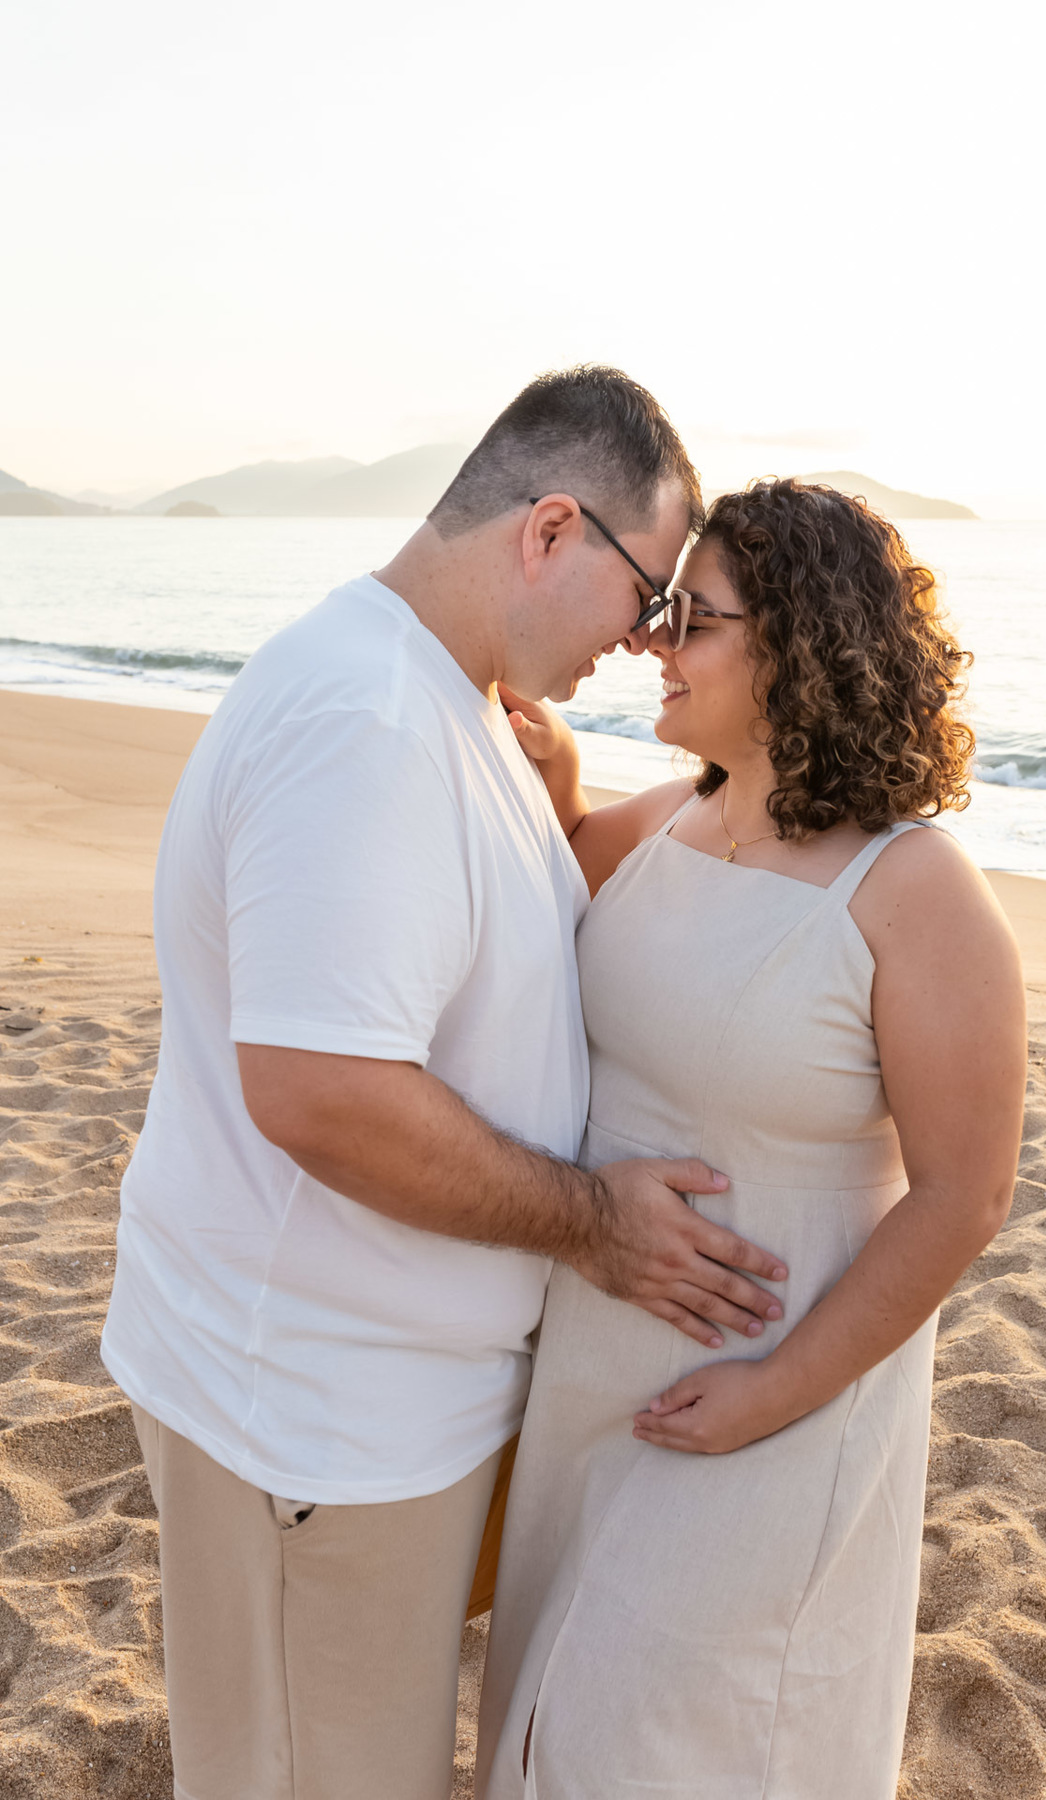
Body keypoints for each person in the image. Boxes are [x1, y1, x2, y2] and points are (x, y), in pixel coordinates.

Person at [100, 368, 790, 1800]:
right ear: (553, 532)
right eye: (649, 591)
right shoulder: (371, 725)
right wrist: (595, 1221)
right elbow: (322, 1093)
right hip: (303, 1415)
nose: (647, 636)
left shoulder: (447, 699)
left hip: (360, 1413)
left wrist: (560, 804)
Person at [477, 479, 1028, 1799]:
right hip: (598, 1367)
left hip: (777, 1397)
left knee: (673, 1743)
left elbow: (965, 1193)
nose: (656, 643)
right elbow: (544, 867)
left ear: (797, 650)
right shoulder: (674, 817)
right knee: (551, 1724)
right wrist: (546, 775)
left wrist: (778, 1392)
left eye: (694, 620)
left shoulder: (912, 887)